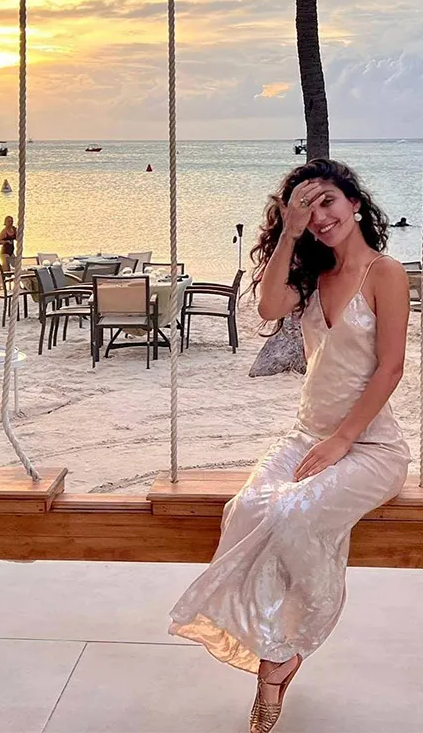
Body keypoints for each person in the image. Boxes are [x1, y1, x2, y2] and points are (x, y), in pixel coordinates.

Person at [169, 158, 410, 733]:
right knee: (245, 510)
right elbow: (268, 308)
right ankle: (273, 640)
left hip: (371, 444)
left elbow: (392, 367)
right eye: (305, 207)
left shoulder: (385, 273)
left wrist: (343, 440)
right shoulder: (312, 275)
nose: (320, 215)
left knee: (294, 516)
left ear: (355, 203)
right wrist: (290, 234)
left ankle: (282, 657)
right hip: (305, 434)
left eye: (327, 201)